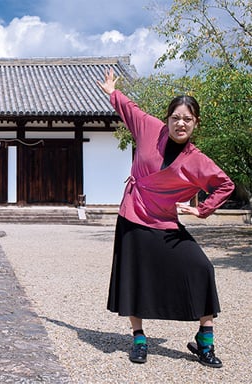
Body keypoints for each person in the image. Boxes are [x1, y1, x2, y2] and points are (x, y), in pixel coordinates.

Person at [97, 69, 235, 368]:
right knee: (135, 278)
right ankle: (139, 338)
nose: (180, 123)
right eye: (176, 117)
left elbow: (225, 184)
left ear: (195, 123)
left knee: (202, 267)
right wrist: (111, 92)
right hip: (133, 217)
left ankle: (205, 340)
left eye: (187, 119)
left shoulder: (197, 159)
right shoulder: (150, 128)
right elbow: (129, 108)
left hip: (165, 222)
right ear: (168, 118)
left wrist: (203, 209)